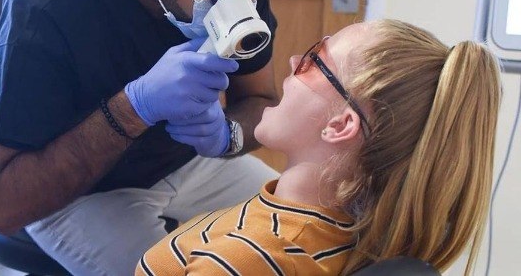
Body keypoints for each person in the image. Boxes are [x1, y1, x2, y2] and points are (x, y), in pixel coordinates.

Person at [0, 0, 285, 275]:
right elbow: (1, 208)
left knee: (308, 232)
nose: (243, 1)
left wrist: (229, 135)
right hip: (80, 194)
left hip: (190, 164)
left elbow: (260, 98)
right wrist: (133, 108)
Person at [136, 19, 502, 276]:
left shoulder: (249, 257)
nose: (295, 61)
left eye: (315, 61)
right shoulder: (342, 235)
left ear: (340, 124)